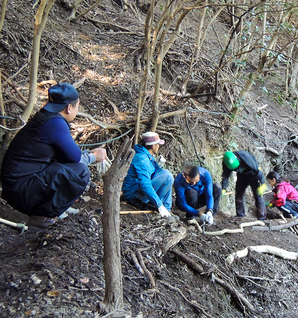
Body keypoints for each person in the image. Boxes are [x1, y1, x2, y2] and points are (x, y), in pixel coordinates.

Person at [0, 83, 106, 228]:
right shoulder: (55, 124)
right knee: (81, 172)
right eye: (77, 106)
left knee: (68, 166)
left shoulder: (46, 117)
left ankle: (54, 210)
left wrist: (89, 154)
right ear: (69, 107)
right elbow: (76, 159)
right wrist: (94, 156)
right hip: (21, 190)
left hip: (16, 187)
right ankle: (42, 218)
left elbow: (69, 155)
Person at [122, 132, 175, 219]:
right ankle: (158, 205)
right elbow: (144, 184)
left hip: (137, 189)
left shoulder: (145, 155)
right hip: (134, 195)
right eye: (158, 144)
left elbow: (152, 174)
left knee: (165, 174)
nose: (159, 146)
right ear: (153, 146)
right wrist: (159, 205)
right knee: (168, 177)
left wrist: (157, 165)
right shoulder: (142, 158)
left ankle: (167, 209)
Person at [222, 150, 267, 220]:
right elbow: (225, 175)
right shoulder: (226, 162)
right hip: (241, 176)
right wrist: (223, 188)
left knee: (258, 195)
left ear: (236, 157)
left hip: (253, 175)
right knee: (239, 195)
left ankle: (262, 216)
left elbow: (257, 171)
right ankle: (240, 215)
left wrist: (263, 183)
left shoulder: (246, 158)